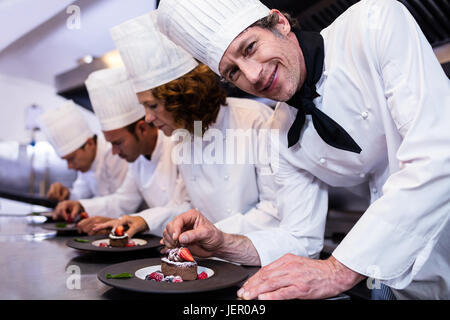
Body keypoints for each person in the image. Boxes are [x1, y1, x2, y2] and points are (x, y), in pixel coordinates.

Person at [156, 0, 450, 299]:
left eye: (250, 48)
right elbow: (300, 237)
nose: (253, 75)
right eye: (233, 72)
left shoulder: (373, 22)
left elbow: (439, 154)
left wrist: (337, 270)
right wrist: (222, 242)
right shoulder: (278, 133)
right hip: (398, 276)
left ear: (279, 22)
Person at [93, 12, 311, 265]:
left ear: (180, 97)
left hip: (261, 261)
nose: (148, 119)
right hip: (211, 263)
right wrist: (147, 220)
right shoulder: (184, 139)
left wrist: (214, 235)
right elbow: (187, 204)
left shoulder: (255, 120)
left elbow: (274, 211)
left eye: (152, 106)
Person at [53, 66, 181, 235]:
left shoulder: (178, 145)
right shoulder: (137, 160)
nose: (113, 152)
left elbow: (185, 207)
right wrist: (82, 205)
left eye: (118, 143)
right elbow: (124, 200)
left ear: (142, 129)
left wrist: (143, 220)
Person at [39, 100, 128, 214]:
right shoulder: (86, 165)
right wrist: (67, 194)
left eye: (71, 159)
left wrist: (81, 206)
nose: (70, 166)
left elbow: (124, 204)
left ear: (89, 144)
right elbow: (80, 195)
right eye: (66, 160)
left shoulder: (115, 152)